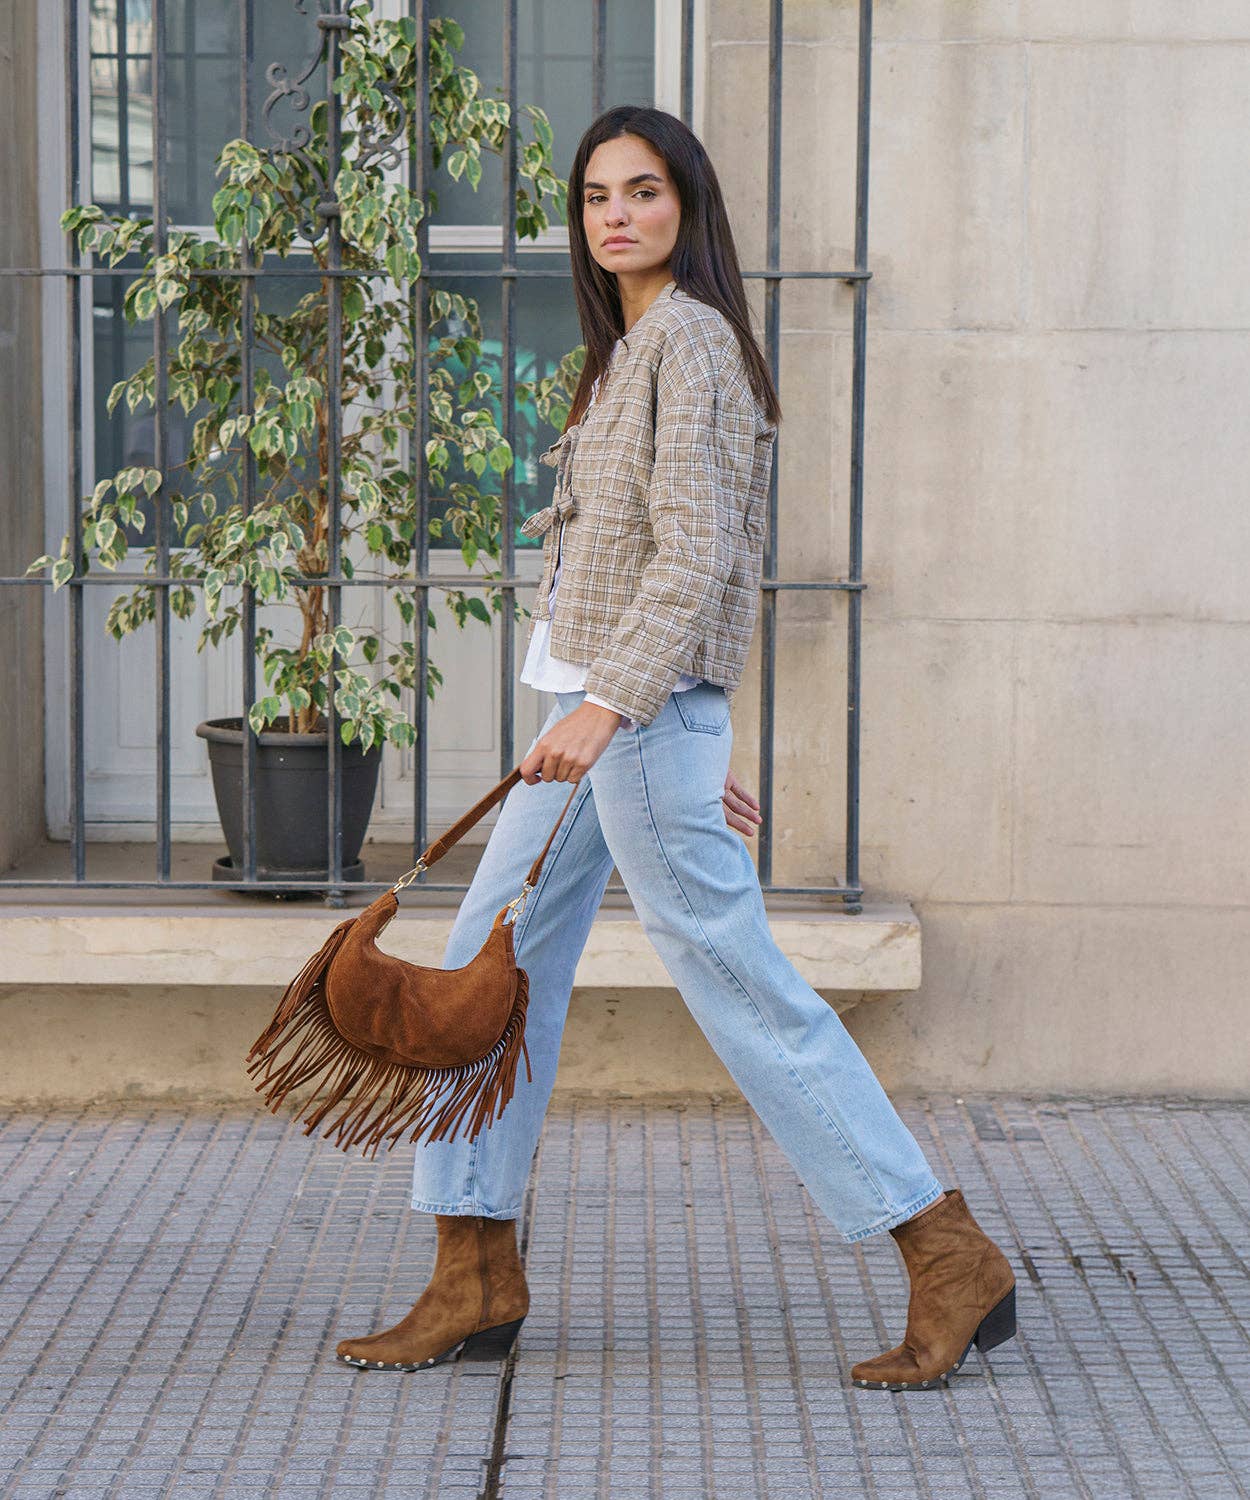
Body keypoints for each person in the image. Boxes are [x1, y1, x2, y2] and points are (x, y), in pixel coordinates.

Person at [335, 106, 1016, 1392]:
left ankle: (942, 1247)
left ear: (687, 209)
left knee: (733, 980)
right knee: (493, 964)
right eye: (595, 197)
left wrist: (632, 713)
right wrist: (648, 714)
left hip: (623, 723)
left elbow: (696, 551)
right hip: (615, 722)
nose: (615, 216)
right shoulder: (636, 347)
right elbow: (661, 565)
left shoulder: (686, 343)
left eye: (642, 192)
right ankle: (470, 1269)